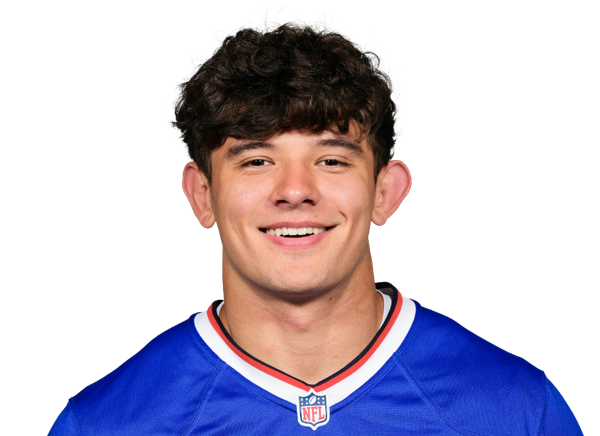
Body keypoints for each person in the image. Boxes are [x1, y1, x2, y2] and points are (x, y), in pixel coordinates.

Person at [49, 19, 583, 435]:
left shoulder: (515, 407)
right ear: (202, 195)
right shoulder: (104, 424)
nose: (295, 189)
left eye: (331, 160)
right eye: (257, 160)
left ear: (385, 192)